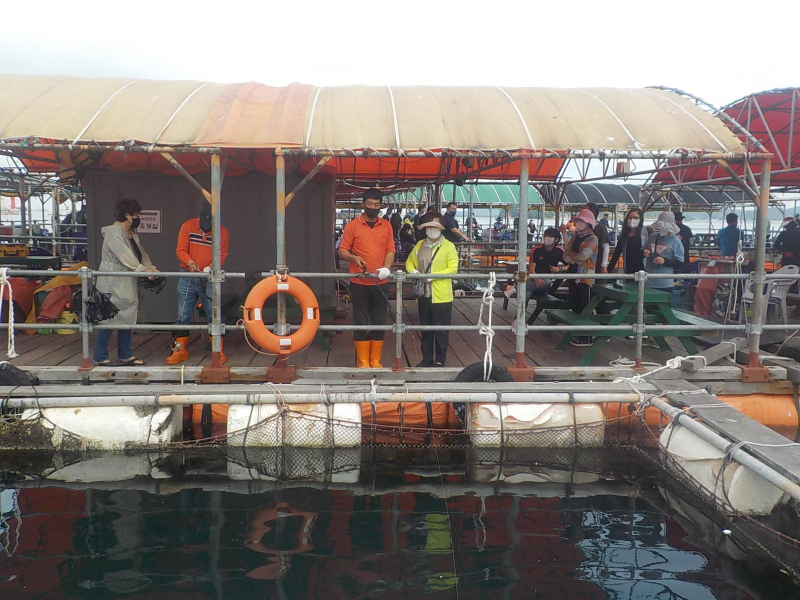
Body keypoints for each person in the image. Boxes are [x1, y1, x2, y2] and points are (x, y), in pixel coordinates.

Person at [93, 198, 158, 366]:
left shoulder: (132, 235)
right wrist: (144, 271)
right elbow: (125, 256)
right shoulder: (114, 233)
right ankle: (100, 356)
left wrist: (151, 268)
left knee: (127, 317)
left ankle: (125, 354)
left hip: (127, 280)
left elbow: (141, 255)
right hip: (112, 280)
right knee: (108, 317)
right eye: (136, 214)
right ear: (128, 215)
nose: (138, 218)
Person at [166, 202, 230, 365]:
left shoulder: (222, 232)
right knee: (182, 314)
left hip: (210, 277)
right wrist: (190, 262)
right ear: (199, 217)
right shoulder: (187, 226)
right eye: (205, 222)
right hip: (187, 274)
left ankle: (217, 351)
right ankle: (179, 350)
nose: (206, 226)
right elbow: (181, 250)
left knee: (213, 313)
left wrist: (212, 266)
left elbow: (222, 255)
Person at [338, 189, 396, 368]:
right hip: (359, 283)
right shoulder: (352, 226)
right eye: (369, 204)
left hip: (380, 282)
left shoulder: (386, 226)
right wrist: (354, 258)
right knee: (360, 321)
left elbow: (390, 250)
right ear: (363, 204)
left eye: (376, 205)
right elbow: (342, 250)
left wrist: (386, 268)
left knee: (380, 321)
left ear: (381, 206)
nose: (373, 207)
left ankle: (375, 361)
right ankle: (363, 361)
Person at [405, 212, 459, 367]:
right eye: (428, 227)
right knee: (426, 329)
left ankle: (440, 360)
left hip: (442, 296)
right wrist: (415, 272)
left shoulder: (448, 246)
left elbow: (453, 269)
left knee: (441, 330)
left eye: (435, 227)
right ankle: (426, 359)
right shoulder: (419, 245)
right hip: (423, 295)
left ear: (441, 228)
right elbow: (409, 262)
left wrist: (432, 276)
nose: (431, 230)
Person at [562, 208, 598, 347]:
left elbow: (584, 256)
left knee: (585, 305)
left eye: (582, 221)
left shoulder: (593, 238)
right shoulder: (576, 236)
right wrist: (574, 257)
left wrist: (571, 256)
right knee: (575, 304)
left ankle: (587, 336)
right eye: (578, 221)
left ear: (588, 223)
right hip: (573, 273)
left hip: (585, 276)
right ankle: (578, 333)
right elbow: (565, 253)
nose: (579, 223)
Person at [644, 212, 684, 291]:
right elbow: (644, 249)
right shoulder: (653, 236)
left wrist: (664, 261)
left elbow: (680, 262)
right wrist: (645, 252)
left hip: (665, 283)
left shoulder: (676, 241)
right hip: (648, 281)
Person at [527, 226, 565, 302]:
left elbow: (570, 265)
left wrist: (560, 268)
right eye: (545, 235)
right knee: (526, 293)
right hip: (533, 279)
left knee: (547, 282)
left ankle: (514, 288)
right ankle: (521, 310)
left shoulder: (560, 251)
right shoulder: (536, 250)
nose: (546, 238)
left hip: (546, 281)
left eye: (549, 236)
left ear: (556, 239)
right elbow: (531, 270)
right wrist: (536, 279)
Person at [609, 207, 648, 274]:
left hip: (643, 271)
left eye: (635, 218)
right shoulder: (624, 236)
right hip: (628, 271)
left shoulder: (646, 233)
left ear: (640, 219)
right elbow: (616, 254)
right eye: (630, 217)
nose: (632, 220)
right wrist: (608, 270)